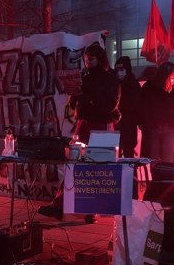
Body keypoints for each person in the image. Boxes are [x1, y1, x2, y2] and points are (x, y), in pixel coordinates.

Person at [38, 42, 120, 222]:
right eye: (85, 59)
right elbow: (75, 104)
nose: (87, 62)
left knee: (99, 167)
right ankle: (59, 205)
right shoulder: (85, 77)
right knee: (74, 163)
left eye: (91, 58)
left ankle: (93, 210)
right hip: (84, 123)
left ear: (99, 59)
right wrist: (74, 93)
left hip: (102, 124)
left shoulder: (109, 78)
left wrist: (87, 96)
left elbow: (109, 105)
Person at [115, 56, 141, 157]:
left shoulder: (133, 84)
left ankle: (130, 172)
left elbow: (136, 104)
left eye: (122, 69)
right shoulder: (115, 83)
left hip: (129, 121)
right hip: (117, 122)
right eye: (117, 69)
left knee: (128, 150)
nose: (119, 72)